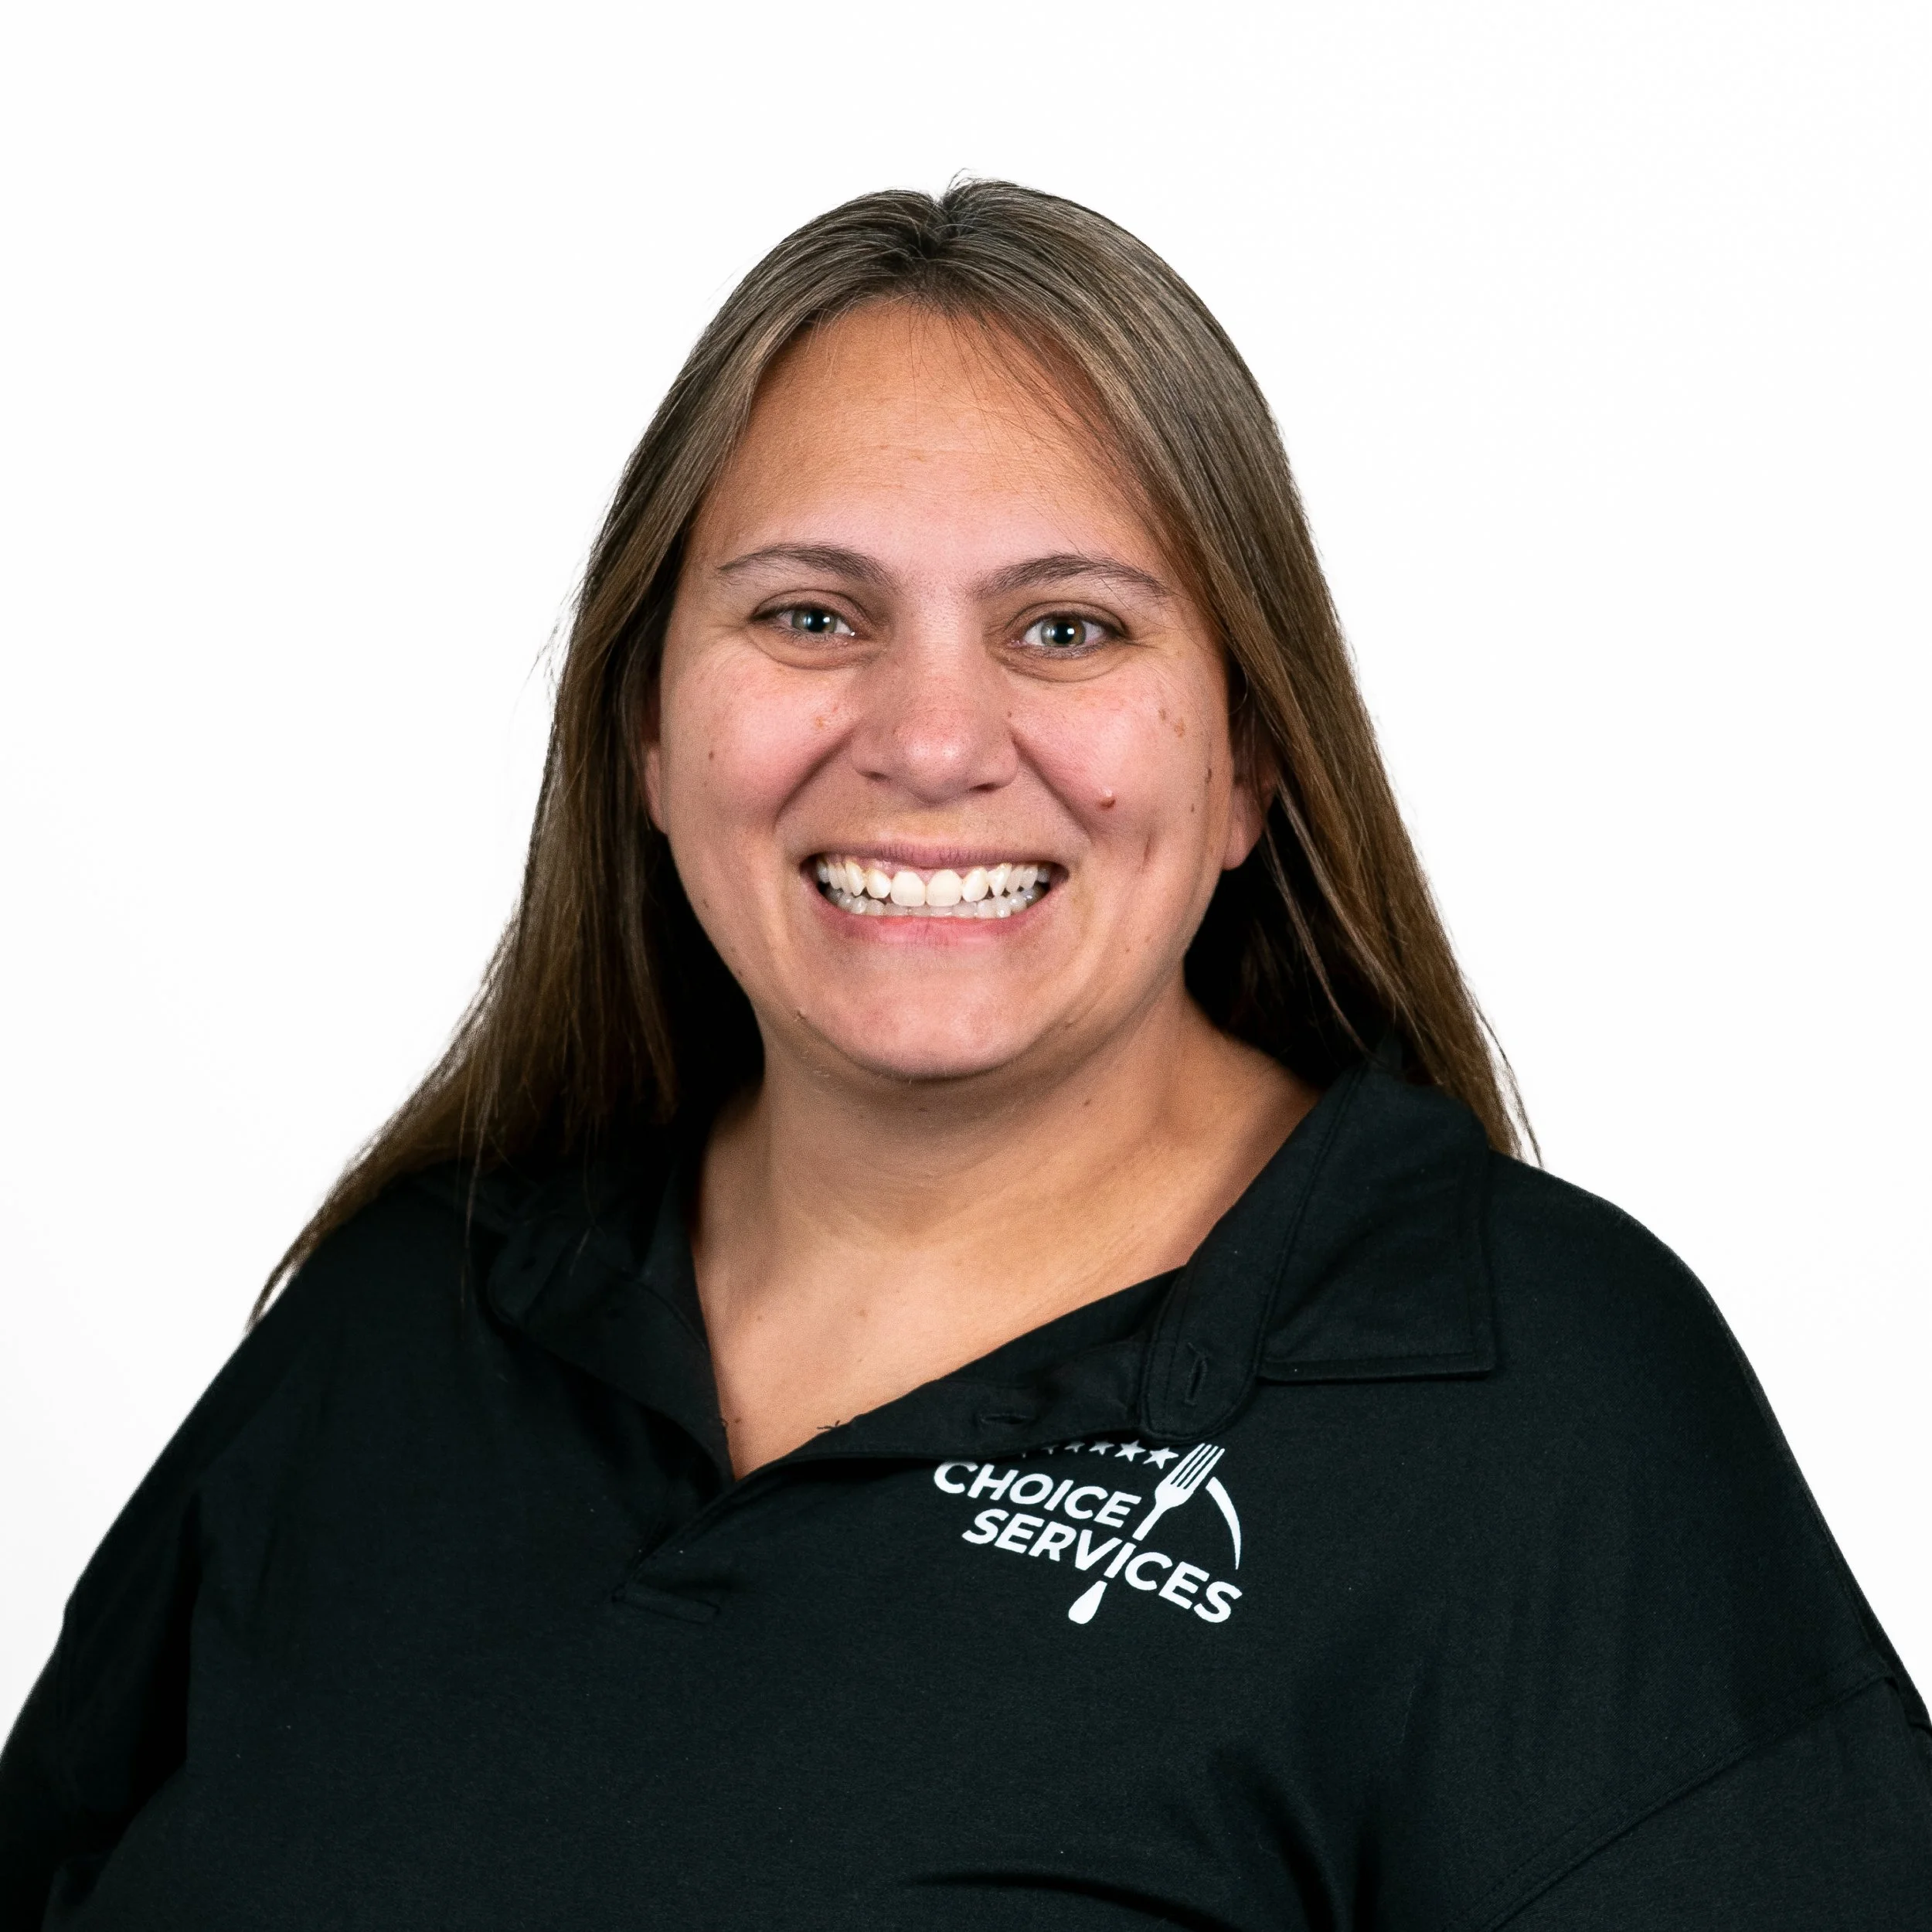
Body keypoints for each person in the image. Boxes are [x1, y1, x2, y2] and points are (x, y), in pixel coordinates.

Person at [2, 181, 1927, 1930]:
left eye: (1067, 626)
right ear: (648, 738)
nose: (931, 739)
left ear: (1249, 756)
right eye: (811, 614)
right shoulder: (411, 1310)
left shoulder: (1536, 1407)